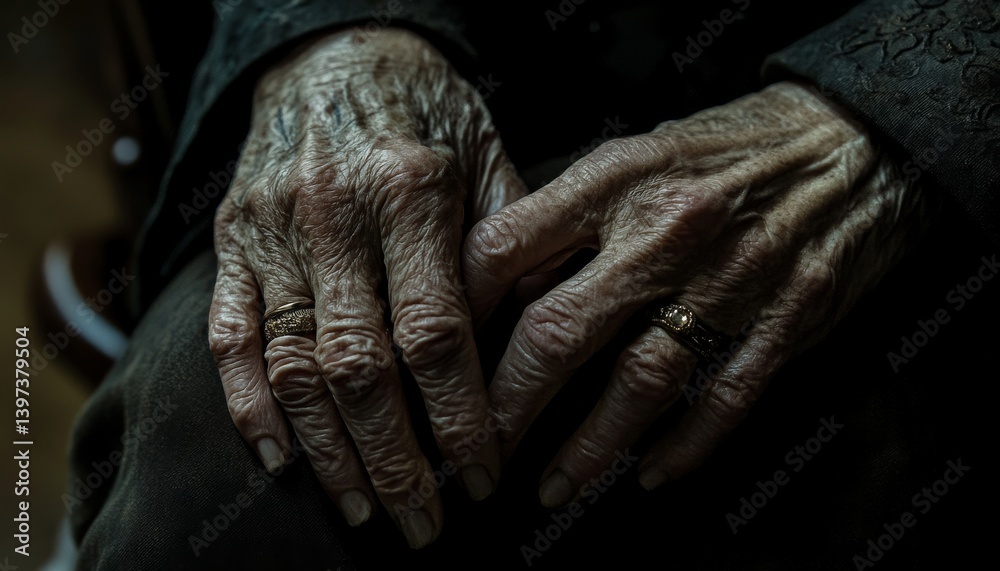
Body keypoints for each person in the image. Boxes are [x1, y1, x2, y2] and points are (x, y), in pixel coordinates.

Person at [68, 0, 997, 568]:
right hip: (474, 64)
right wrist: (337, 35)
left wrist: (896, 115)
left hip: (902, 136)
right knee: (220, 480)